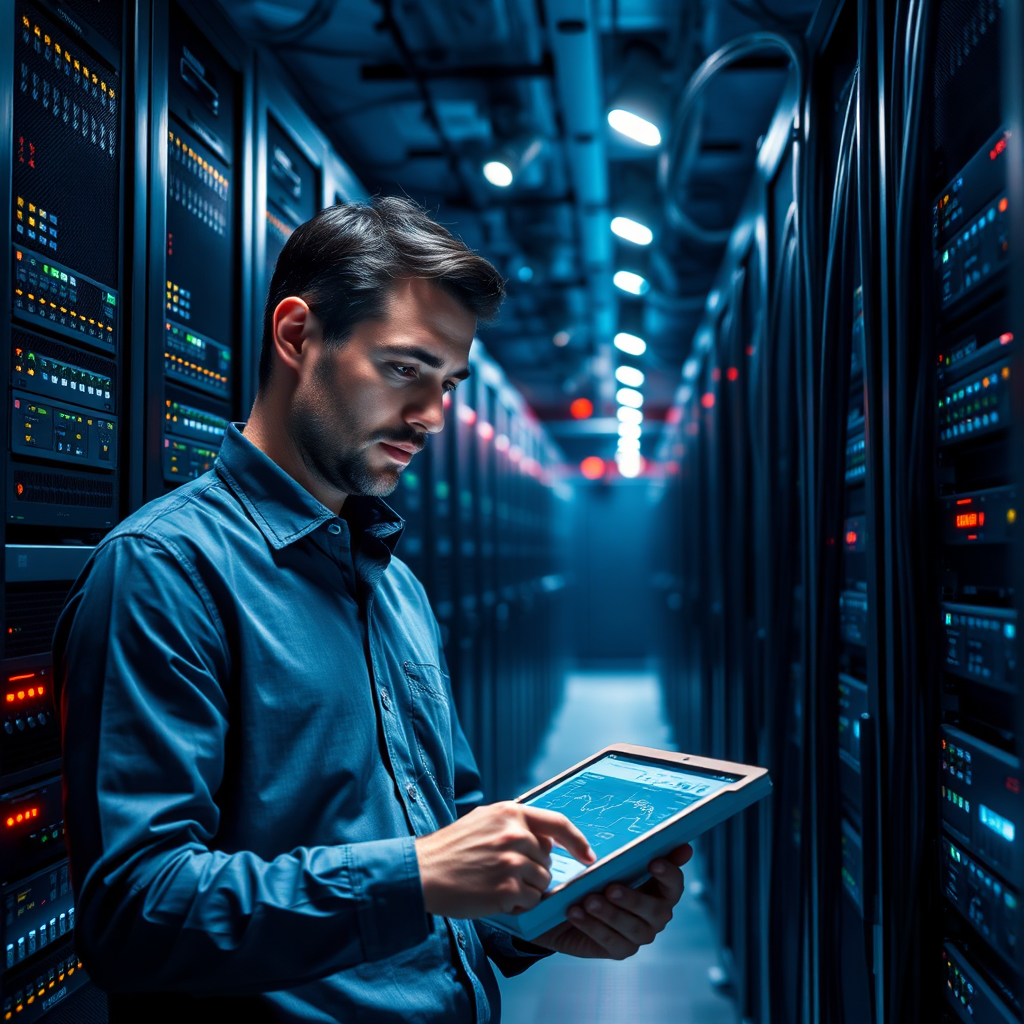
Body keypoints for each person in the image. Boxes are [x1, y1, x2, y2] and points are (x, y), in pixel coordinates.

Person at [53, 196, 693, 1023]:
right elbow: (135, 914)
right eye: (403, 369)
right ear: (296, 336)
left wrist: (541, 917)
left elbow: (445, 846)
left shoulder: (395, 585)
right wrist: (415, 876)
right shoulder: (165, 571)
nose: (432, 417)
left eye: (448, 384)